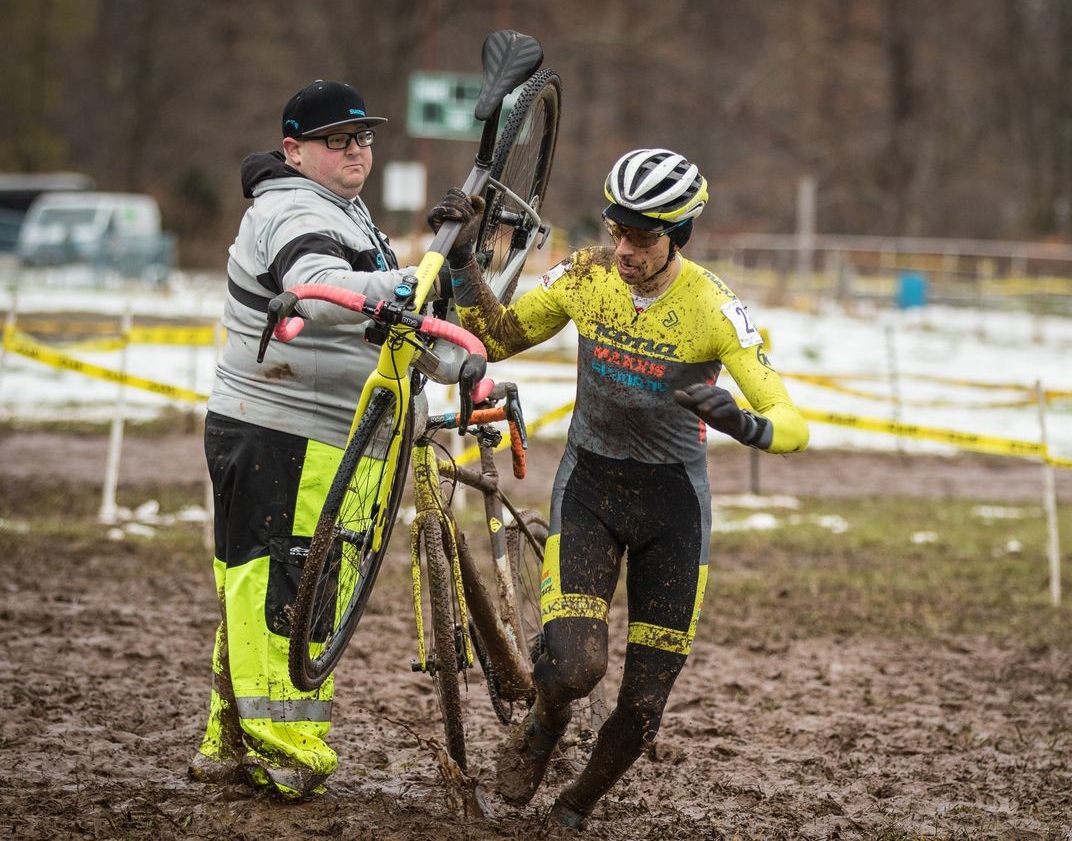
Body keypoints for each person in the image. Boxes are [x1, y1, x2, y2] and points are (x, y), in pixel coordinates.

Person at [429, 148, 809, 828]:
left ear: (679, 236)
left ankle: (576, 804)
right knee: (573, 666)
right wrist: (461, 262)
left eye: (642, 236)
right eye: (616, 229)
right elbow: (499, 333)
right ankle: (546, 724)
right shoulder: (588, 275)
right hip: (592, 489)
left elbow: (792, 423)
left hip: (673, 510)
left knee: (642, 709)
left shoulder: (714, 308)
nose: (624, 248)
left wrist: (745, 422)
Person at [190, 80, 443, 799]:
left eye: (363, 137)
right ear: (294, 149)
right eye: (338, 140)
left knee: (270, 585)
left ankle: (230, 739)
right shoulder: (293, 207)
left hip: (307, 431)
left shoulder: (341, 207)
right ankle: (287, 752)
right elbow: (319, 284)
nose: (357, 149)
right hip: (284, 429)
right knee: (287, 592)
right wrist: (412, 282)